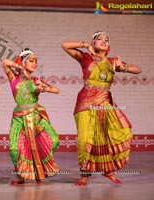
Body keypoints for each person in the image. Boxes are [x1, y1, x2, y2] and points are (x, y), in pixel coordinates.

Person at [61, 31, 142, 186]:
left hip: (104, 102)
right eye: (99, 39)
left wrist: (122, 67)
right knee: (86, 139)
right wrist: (86, 45)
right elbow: (64, 45)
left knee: (109, 135)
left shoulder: (112, 61)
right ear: (93, 43)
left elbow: (138, 70)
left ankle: (108, 171)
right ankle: (84, 174)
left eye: (106, 40)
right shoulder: (85, 58)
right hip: (85, 103)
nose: (104, 41)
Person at [2, 48, 60, 185]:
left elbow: (57, 90)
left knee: (54, 140)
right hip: (19, 118)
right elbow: (4, 62)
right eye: (31, 61)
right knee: (15, 149)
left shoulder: (36, 80)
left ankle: (40, 170)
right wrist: (19, 68)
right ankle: (20, 176)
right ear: (23, 62)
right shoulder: (14, 78)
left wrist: (45, 89)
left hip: (35, 116)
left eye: (36, 61)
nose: (35, 64)